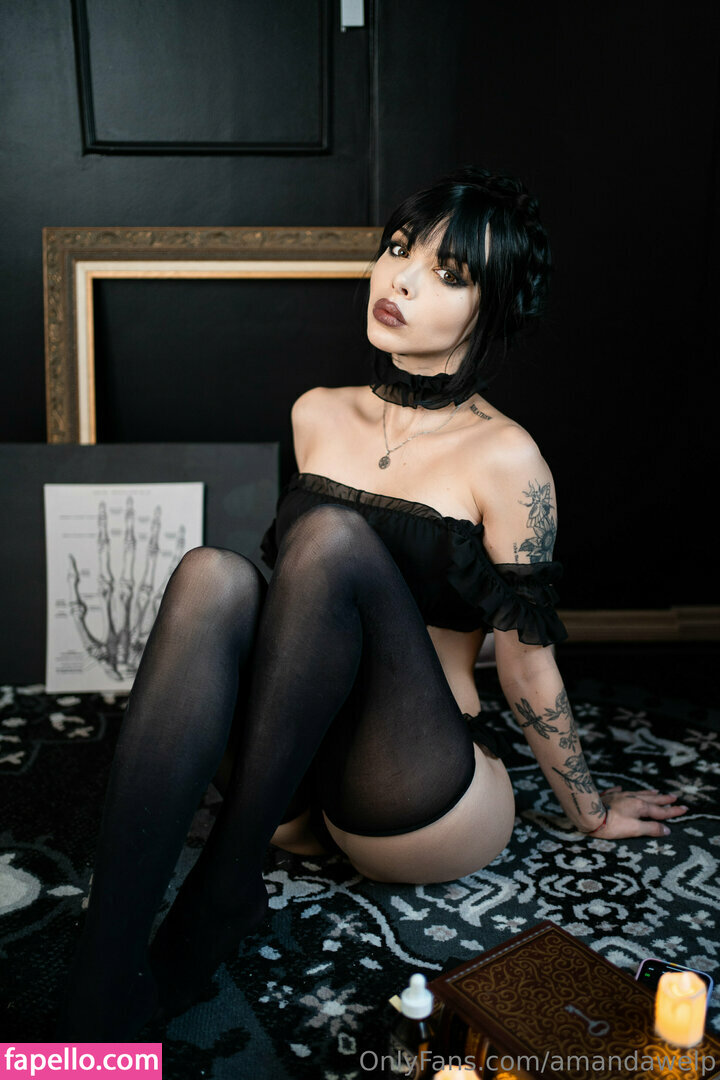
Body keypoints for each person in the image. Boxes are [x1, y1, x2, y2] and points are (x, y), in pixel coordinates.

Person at [57, 166, 687, 1040]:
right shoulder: (317, 413)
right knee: (213, 575)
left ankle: (223, 884)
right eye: (398, 249)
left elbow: (526, 661)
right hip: (288, 782)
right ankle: (101, 981)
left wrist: (589, 806)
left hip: (413, 787)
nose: (401, 279)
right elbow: (288, 619)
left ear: (493, 310)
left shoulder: (507, 458)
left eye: (447, 273)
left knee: (331, 539)